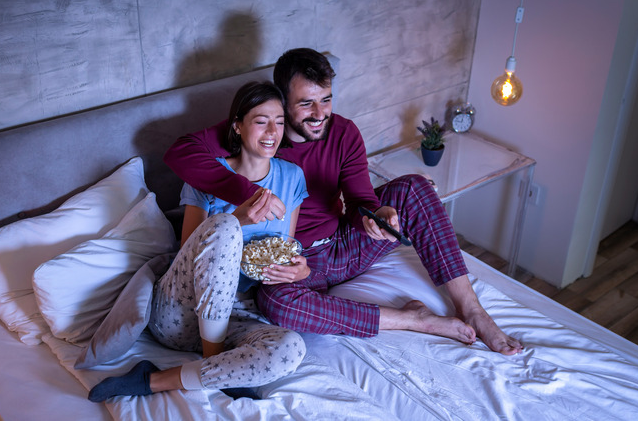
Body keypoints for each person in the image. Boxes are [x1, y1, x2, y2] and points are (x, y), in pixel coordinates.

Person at [163, 48, 523, 355]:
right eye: (306, 103)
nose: (320, 114)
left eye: (326, 99)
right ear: (281, 103)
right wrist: (248, 192)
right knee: (275, 304)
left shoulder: (343, 131)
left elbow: (359, 199)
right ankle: (413, 320)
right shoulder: (259, 132)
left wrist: (375, 215)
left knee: (415, 187)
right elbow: (181, 153)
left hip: (343, 245)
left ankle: (473, 310)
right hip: (299, 264)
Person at [88, 81, 309, 402]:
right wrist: (239, 219)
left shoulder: (292, 177)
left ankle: (156, 379)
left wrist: (298, 271)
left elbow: (283, 248)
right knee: (223, 227)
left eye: (279, 121)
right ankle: (216, 361)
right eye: (261, 121)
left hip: (240, 313)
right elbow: (191, 248)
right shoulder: (209, 173)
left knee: (291, 349)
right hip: (181, 312)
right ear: (238, 125)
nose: (272, 131)